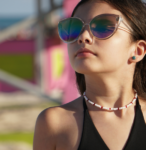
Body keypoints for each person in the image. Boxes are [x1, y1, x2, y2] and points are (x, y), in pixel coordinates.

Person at [33, 0, 146, 149]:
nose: (83, 36)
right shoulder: (54, 123)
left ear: (138, 50)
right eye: (73, 28)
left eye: (103, 26)